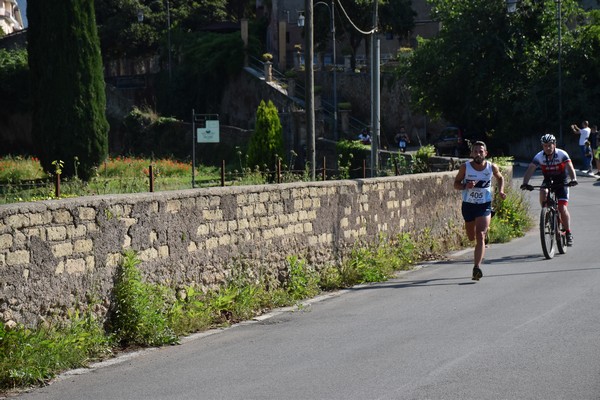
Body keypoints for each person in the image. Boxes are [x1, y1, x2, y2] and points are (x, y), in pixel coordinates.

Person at [453, 141, 506, 281]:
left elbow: (500, 178)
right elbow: (455, 184)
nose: (478, 154)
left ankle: (476, 268)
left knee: (480, 235)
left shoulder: (491, 167)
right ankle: (481, 236)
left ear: (486, 153)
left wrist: (501, 191)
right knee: (471, 237)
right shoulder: (465, 167)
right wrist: (466, 185)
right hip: (468, 205)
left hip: (484, 205)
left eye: (481, 151)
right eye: (475, 151)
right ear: (471, 153)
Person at [520, 134, 578, 246]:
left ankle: (568, 233)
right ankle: (545, 213)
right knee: (543, 191)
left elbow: (570, 167)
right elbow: (530, 169)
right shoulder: (539, 156)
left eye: (550, 145)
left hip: (562, 181)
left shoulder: (562, 154)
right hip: (548, 180)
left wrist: (573, 179)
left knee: (562, 207)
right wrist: (525, 183)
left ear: (554, 145)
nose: (548, 148)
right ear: (542, 146)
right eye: (545, 146)